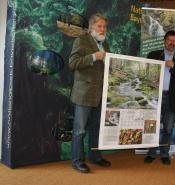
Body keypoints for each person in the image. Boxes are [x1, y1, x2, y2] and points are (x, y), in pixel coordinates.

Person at [68, 13, 111, 173]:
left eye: (104, 26)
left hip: (100, 93)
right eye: (99, 26)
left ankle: (95, 157)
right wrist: (93, 56)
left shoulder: (105, 43)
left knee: (96, 128)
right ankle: (77, 161)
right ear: (91, 27)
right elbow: (73, 64)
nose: (102, 29)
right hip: (84, 93)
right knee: (79, 130)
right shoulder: (81, 40)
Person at [144, 30, 175, 165]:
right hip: (154, 97)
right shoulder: (153, 55)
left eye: (174, 41)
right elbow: (145, 73)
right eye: (169, 40)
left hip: (170, 98)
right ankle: (151, 153)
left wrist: (174, 66)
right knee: (152, 127)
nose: (171, 43)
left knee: (168, 128)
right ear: (164, 41)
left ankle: (164, 154)